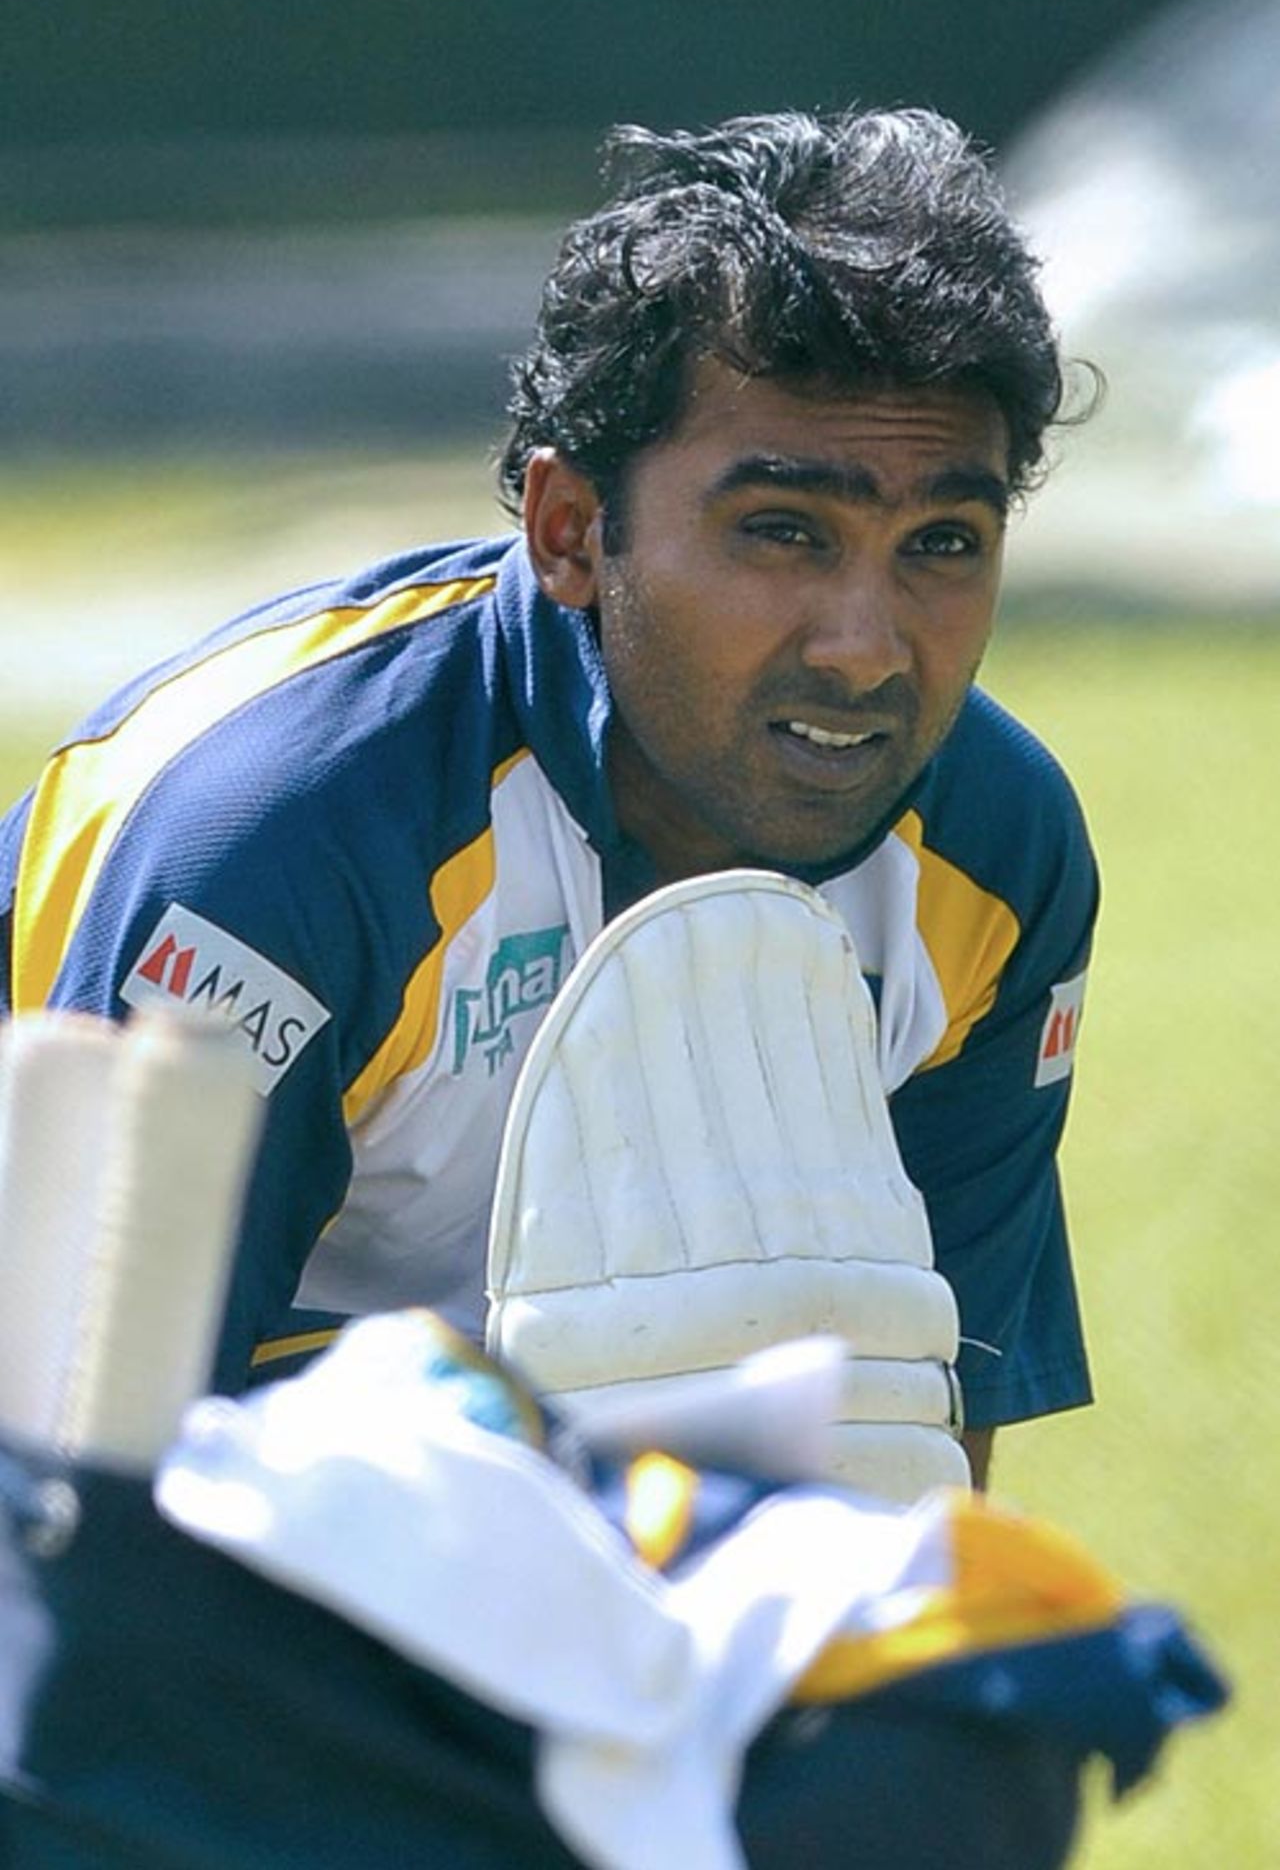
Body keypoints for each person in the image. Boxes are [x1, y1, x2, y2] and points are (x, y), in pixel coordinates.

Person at [0, 107, 1098, 1489]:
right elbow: (70, 1501)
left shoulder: (998, 851)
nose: (865, 649)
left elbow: (915, 1464)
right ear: (570, 531)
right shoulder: (284, 838)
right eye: (782, 532)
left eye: (942, 542)